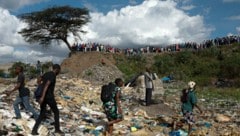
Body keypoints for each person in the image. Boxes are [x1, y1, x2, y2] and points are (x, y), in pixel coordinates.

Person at [32, 64, 63, 135]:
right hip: (48, 97)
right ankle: (57, 129)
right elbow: (47, 85)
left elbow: (39, 80)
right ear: (57, 69)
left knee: (42, 113)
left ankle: (34, 130)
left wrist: (40, 86)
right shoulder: (52, 75)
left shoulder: (46, 73)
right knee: (56, 112)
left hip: (43, 97)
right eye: (59, 71)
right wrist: (43, 97)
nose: (59, 72)